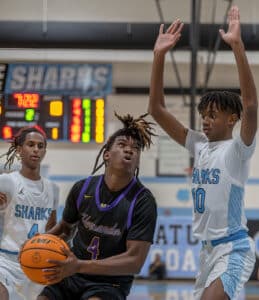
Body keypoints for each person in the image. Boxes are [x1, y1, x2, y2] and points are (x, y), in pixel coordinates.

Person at [148, 5, 257, 300]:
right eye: (203, 115)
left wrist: (237, 46)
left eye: (213, 114)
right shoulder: (199, 145)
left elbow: (249, 106)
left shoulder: (237, 150)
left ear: (231, 119)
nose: (205, 120)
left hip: (233, 248)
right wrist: (158, 56)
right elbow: (156, 110)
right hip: (206, 252)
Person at [37, 112, 157, 300]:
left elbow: (135, 261)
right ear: (107, 154)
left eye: (136, 148)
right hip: (71, 274)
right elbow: (65, 228)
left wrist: (79, 265)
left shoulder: (143, 201)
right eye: (122, 145)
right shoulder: (82, 188)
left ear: (138, 160)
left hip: (109, 282)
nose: (130, 150)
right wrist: (39, 243)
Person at [0, 126, 59, 300]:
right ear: (19, 150)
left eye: (40, 146)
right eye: (30, 144)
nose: (36, 150)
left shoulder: (53, 189)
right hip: (6, 261)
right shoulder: (7, 181)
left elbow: (52, 230)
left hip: (38, 263)